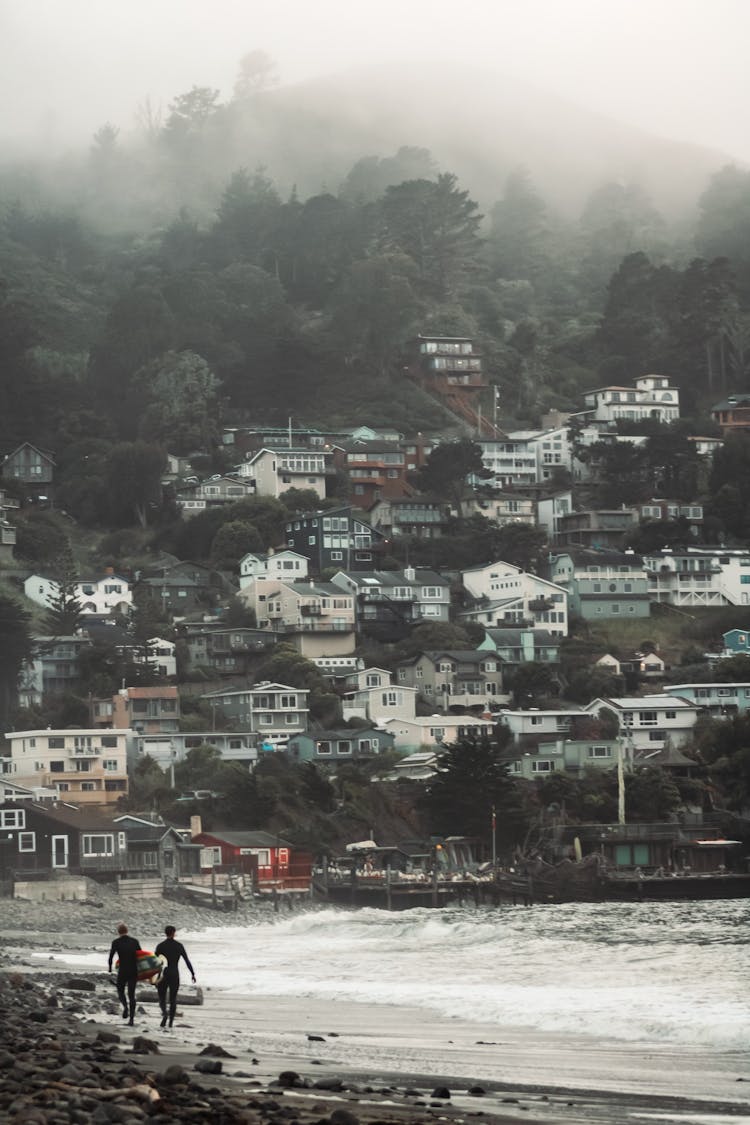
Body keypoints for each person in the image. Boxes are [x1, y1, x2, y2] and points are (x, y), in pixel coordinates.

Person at [155, 925, 196, 1029]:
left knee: (162, 998)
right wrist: (192, 974)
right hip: (174, 974)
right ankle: (170, 1023)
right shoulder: (179, 946)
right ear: (173, 933)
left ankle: (164, 1014)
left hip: (164, 974)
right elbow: (187, 961)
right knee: (173, 999)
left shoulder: (160, 946)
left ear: (165, 933)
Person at [108, 922, 141, 1026]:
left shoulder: (116, 942)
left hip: (123, 970)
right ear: (127, 931)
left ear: (118, 932)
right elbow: (141, 956)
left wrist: (109, 969)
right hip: (133, 970)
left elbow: (111, 957)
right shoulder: (135, 941)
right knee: (132, 995)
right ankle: (131, 1020)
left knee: (120, 990)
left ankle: (125, 1007)